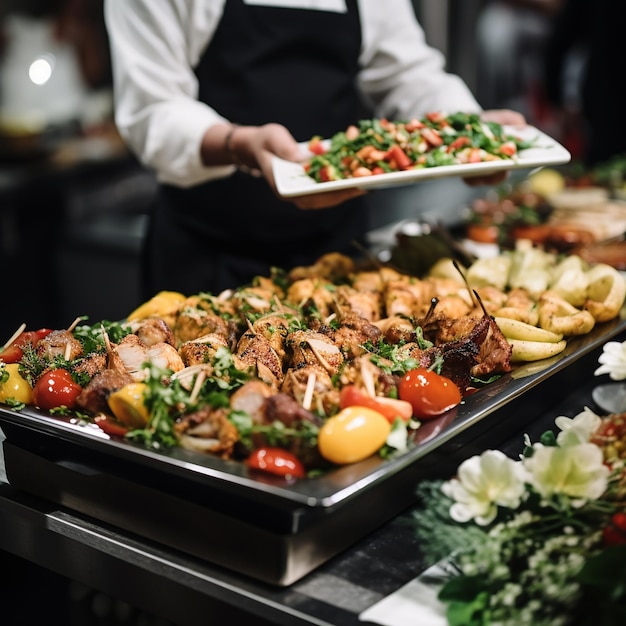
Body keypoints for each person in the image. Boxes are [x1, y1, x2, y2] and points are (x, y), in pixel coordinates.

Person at [104, 0, 525, 298]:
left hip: (338, 253)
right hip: (211, 255)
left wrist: (467, 133)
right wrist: (242, 145)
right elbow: (151, 111)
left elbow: (406, 73)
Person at [543, 0, 626, 167]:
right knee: (604, 173)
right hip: (606, 104)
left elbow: (560, 40)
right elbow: (561, 40)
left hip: (604, 102)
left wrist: (556, 100)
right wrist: (556, 100)